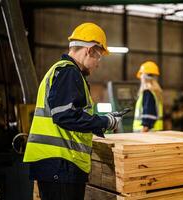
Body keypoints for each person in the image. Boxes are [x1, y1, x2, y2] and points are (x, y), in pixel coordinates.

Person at [23, 22, 121, 200]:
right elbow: (65, 116)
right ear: (89, 50)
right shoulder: (69, 72)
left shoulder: (62, 72)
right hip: (60, 165)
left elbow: (70, 114)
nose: (98, 64)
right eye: (98, 57)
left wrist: (102, 121)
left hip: (57, 165)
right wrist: (105, 122)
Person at [133, 61, 163, 132]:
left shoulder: (148, 92)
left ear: (144, 77)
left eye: (141, 75)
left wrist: (144, 129)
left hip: (145, 133)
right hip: (155, 132)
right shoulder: (155, 92)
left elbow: (148, 113)